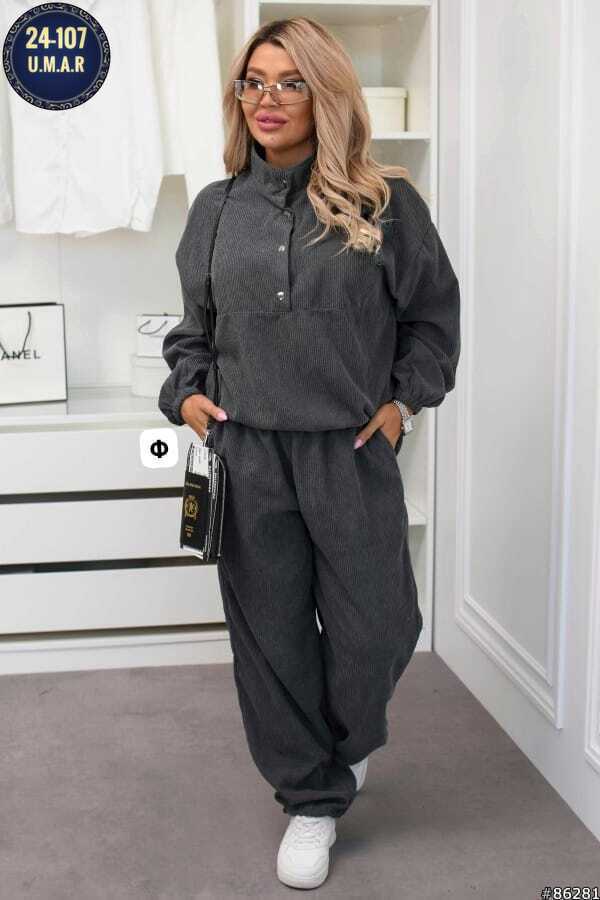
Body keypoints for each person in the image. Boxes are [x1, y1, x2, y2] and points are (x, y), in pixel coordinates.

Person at [158, 16, 461, 891]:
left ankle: (342, 747)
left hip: (349, 452)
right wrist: (187, 395)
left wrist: (403, 403)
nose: (268, 98)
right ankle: (311, 798)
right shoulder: (216, 210)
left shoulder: (386, 203)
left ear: (324, 93)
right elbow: (193, 333)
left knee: (382, 627)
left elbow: (432, 320)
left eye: (290, 82)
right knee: (272, 638)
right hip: (249, 454)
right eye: (254, 81)